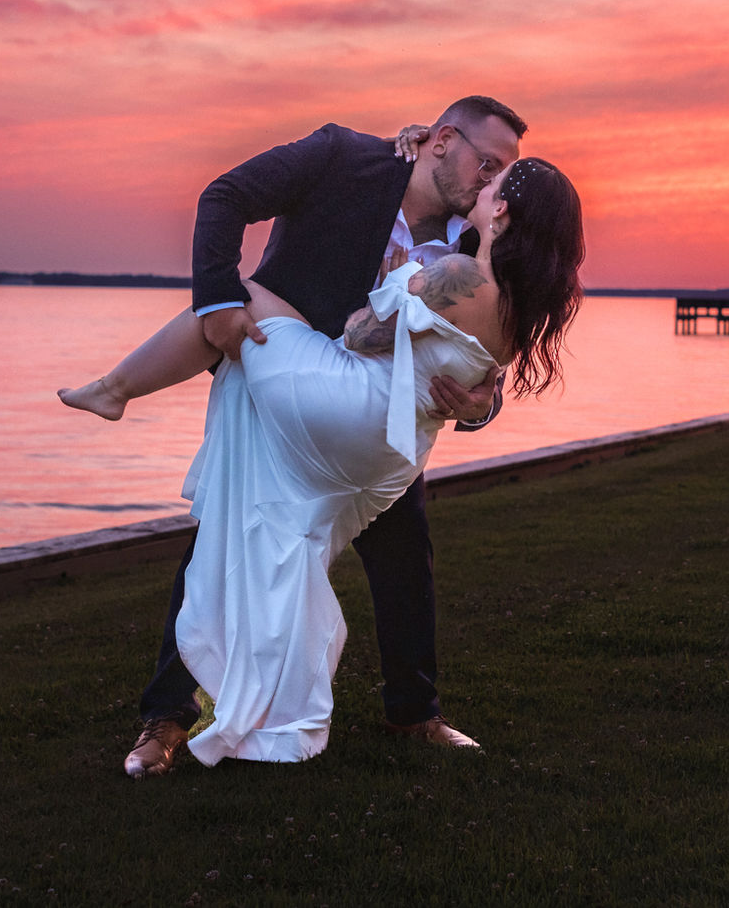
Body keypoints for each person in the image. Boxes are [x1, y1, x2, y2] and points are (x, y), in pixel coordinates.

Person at [60, 97, 561, 774]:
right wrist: (215, 303)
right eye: (489, 163)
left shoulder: (469, 243)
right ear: (443, 140)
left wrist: (478, 404)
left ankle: (415, 713)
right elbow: (226, 195)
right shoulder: (344, 158)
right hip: (287, 391)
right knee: (225, 533)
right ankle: (167, 717)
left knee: (406, 554)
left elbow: (481, 349)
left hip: (368, 420)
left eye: (501, 174)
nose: (488, 181)